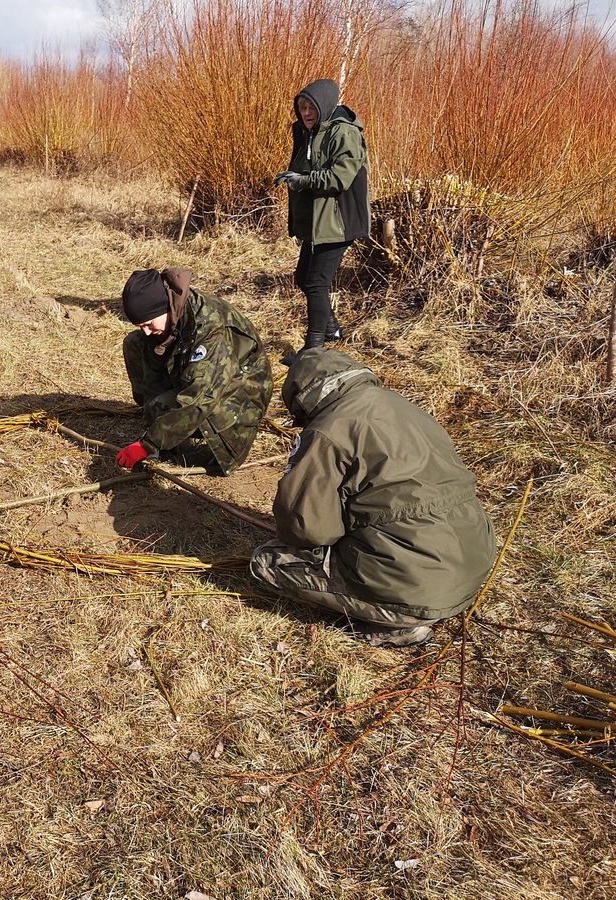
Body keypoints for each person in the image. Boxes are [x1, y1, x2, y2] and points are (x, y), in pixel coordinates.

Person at [248, 348, 496, 647]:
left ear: (302, 395)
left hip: (418, 583)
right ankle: (424, 598)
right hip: (474, 561)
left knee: (268, 562)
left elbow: (306, 529)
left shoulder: (329, 429)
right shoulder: (403, 406)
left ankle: (400, 620)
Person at [116, 267, 272, 476]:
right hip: (204, 379)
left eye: (149, 323)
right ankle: (162, 417)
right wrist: (153, 413)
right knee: (135, 343)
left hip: (241, 392)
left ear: (163, 307)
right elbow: (153, 369)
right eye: (140, 324)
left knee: (183, 403)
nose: (146, 330)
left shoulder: (211, 329)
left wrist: (148, 444)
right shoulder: (171, 312)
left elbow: (200, 398)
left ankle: (177, 426)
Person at [275, 78, 370, 357]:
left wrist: (303, 181)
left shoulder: (344, 133)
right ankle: (331, 329)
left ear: (325, 106)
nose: (306, 113)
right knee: (303, 278)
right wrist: (293, 178)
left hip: (339, 222)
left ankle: (313, 350)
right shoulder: (311, 133)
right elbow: (309, 169)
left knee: (316, 283)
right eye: (302, 108)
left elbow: (340, 177)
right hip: (319, 224)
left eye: (311, 107)